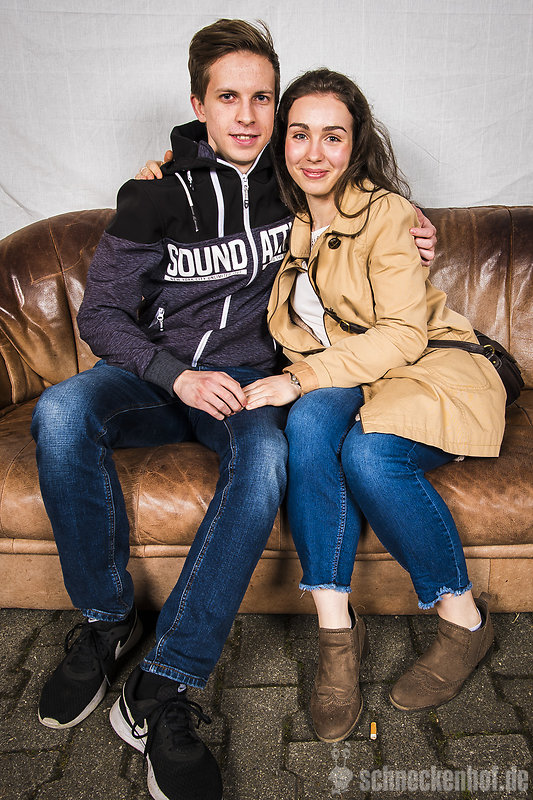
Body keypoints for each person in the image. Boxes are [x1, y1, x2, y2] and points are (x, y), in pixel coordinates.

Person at [31, 20, 436, 800]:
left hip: (248, 382)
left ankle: (165, 679)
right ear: (198, 104)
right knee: (59, 412)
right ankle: (106, 619)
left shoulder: (293, 179)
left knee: (266, 457)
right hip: (158, 376)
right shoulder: (154, 195)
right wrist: (175, 375)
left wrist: (417, 230)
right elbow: (102, 314)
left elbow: (364, 208)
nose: (247, 116)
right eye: (228, 98)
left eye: (261, 98)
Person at [243, 69, 506, 744]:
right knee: (307, 425)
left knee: (368, 456)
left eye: (333, 137)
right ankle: (337, 638)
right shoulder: (271, 213)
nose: (313, 153)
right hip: (348, 376)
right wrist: (160, 169)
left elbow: (403, 335)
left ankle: (465, 621)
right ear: (279, 140)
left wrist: (301, 377)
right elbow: (214, 146)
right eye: (299, 134)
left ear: (355, 144)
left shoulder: (385, 215)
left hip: (427, 363)